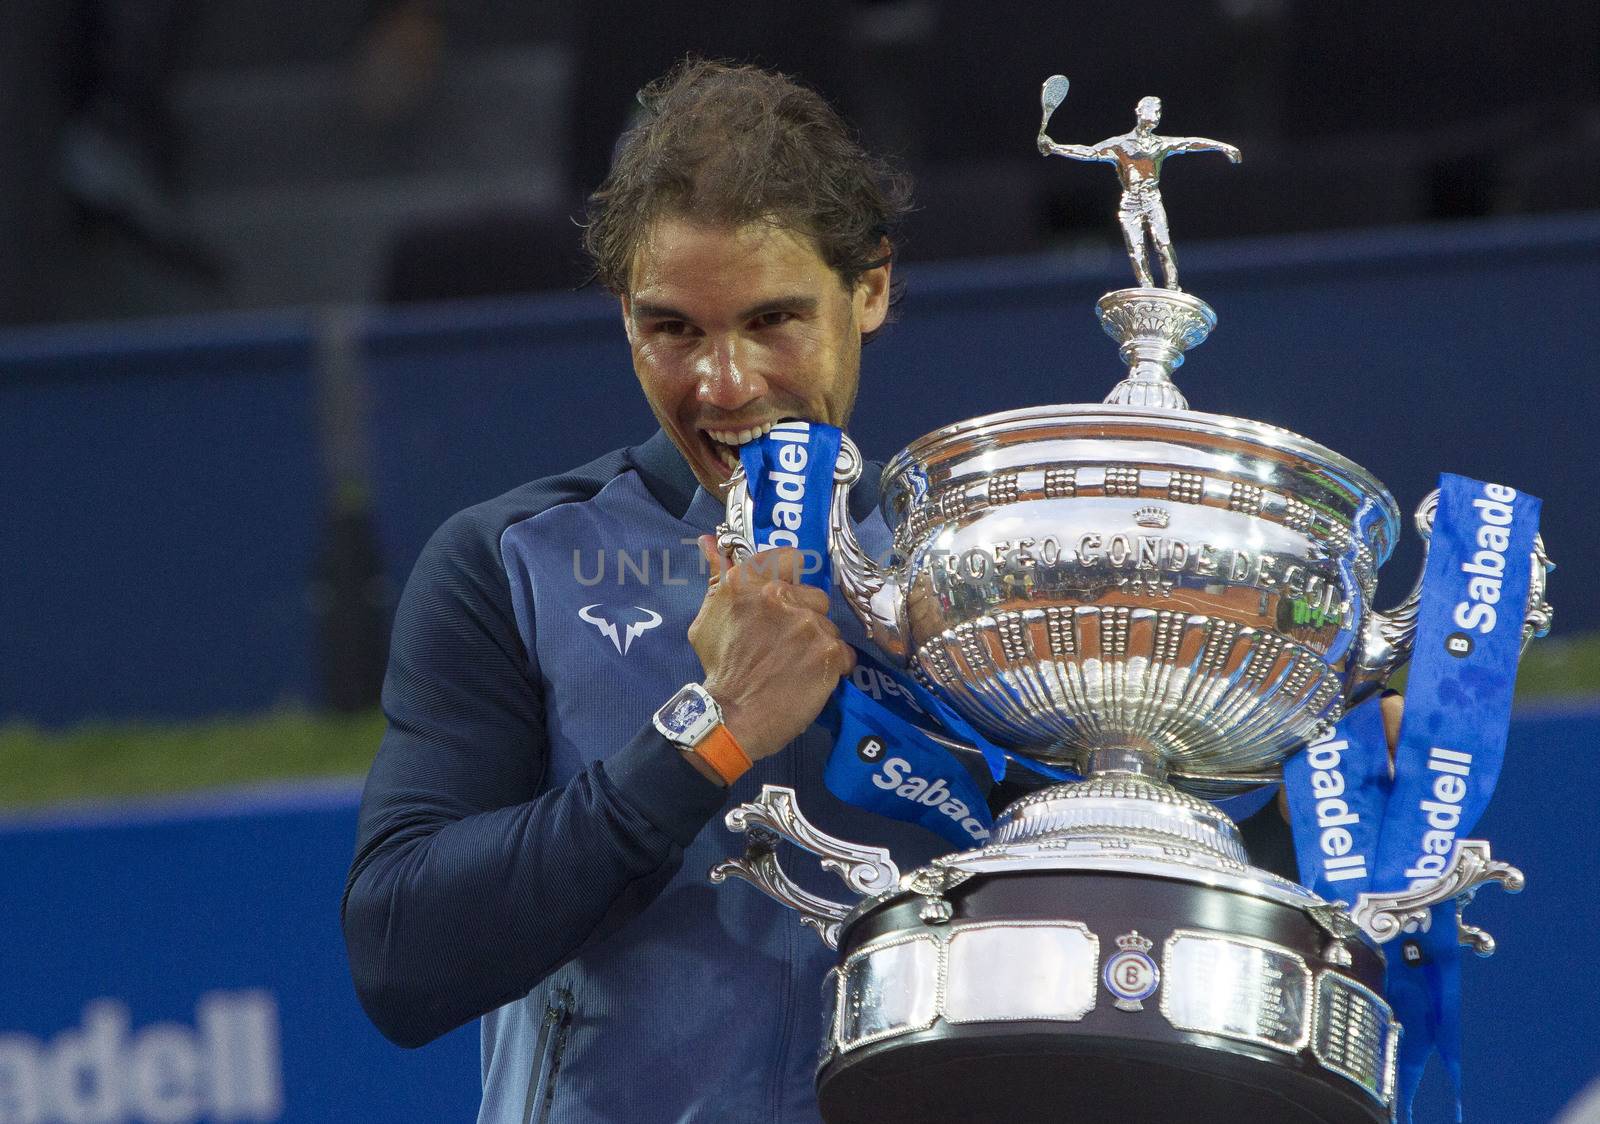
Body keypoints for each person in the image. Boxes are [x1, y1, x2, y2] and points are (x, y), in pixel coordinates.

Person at [341, 58, 945, 1124]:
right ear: (624, 315)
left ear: (873, 288)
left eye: (772, 320)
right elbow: (402, 954)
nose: (724, 381)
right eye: (675, 327)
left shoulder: (971, 580)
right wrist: (708, 737)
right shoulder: (510, 561)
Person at [1038, 95, 1241, 290]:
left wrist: (1222, 146)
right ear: (1139, 111)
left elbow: (1190, 142)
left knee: (1163, 244)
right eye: (1154, 110)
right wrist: (1055, 148)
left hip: (1152, 199)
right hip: (1130, 203)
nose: (1157, 115)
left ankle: (1172, 287)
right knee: (1136, 250)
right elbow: (1089, 152)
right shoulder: (1120, 144)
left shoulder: (1160, 144)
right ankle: (1147, 289)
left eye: (1159, 112)